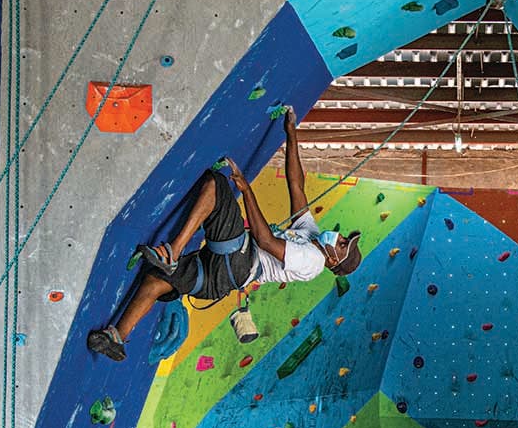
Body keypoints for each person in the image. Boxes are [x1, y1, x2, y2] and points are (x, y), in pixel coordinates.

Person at [87, 107, 361, 362]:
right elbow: (296, 185)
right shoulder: (311, 235)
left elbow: (265, 240)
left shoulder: (312, 260)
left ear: (334, 261)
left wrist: (247, 191)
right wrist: (291, 133)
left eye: (343, 244)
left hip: (239, 263)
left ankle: (174, 251)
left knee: (216, 185)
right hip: (220, 277)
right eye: (346, 238)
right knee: (155, 280)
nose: (340, 237)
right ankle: (117, 337)